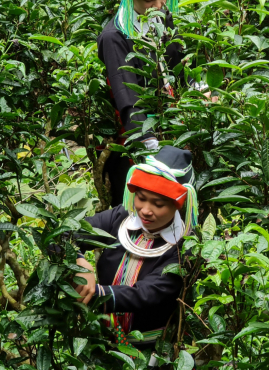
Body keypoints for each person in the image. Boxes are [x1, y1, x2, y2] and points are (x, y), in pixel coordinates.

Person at [97, 0, 205, 206]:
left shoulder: (163, 18)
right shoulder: (114, 36)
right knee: (142, 204)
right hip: (136, 134)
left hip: (171, 122)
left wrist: (196, 90)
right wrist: (146, 140)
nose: (158, 5)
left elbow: (177, 67)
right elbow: (126, 95)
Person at [74, 145, 198, 346]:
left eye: (158, 204)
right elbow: (68, 232)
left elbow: (147, 294)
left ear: (178, 205)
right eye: (141, 198)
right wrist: (78, 261)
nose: (145, 210)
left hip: (150, 352)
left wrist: (94, 293)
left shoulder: (184, 246)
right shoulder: (121, 216)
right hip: (99, 340)